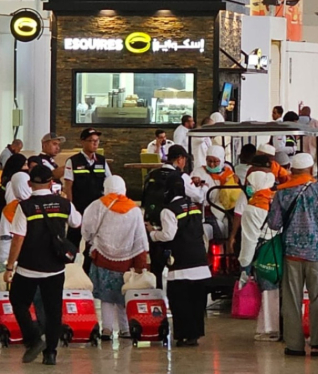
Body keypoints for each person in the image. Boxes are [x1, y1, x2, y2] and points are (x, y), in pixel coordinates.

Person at [267, 153, 318, 356]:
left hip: (291, 253)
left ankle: (294, 346)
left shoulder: (282, 193)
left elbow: (274, 224)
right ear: (311, 170)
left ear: (292, 171)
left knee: (292, 300)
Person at [4, 165, 82, 365]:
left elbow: (18, 239)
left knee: (19, 301)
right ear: (51, 182)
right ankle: (51, 353)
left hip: (28, 267)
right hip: (55, 267)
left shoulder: (25, 207)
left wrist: (10, 267)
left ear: (30, 184)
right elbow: (76, 222)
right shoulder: (64, 204)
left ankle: (32, 339)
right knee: (53, 309)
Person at [146, 174, 210, 347]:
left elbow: (168, 235)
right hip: (200, 263)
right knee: (197, 303)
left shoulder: (169, 210)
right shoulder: (195, 206)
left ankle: (183, 335)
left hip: (181, 265)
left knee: (180, 302)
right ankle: (194, 335)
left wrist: (152, 232)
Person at [83, 176, 148, 341]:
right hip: (126, 261)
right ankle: (125, 329)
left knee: (106, 297)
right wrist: (140, 262)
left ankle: (106, 329)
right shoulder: (134, 209)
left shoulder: (98, 205)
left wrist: (91, 241)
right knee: (123, 295)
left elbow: (87, 228)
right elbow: (140, 238)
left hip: (102, 258)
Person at [142, 145, 204, 289]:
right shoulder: (181, 177)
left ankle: (157, 294)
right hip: (175, 225)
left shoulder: (152, 174)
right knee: (176, 263)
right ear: (180, 159)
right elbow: (199, 197)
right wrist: (200, 186)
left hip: (153, 224)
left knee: (156, 266)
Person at [238, 171, 280, 341]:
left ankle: (269, 329)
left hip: (263, 254)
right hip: (279, 251)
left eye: (250, 184)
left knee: (268, 292)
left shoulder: (251, 208)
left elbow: (249, 240)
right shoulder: (276, 201)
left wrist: (244, 266)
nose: (247, 187)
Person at [63, 128, 112, 273]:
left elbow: (109, 182)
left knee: (93, 242)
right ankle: (68, 270)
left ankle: (88, 271)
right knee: (72, 241)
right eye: (91, 141)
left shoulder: (102, 161)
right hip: (78, 208)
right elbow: (68, 186)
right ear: (82, 142)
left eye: (96, 141)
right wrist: (71, 208)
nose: (94, 144)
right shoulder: (73, 161)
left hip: (97, 210)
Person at [191, 145, 238, 240]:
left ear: (221, 160)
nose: (212, 164)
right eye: (209, 161)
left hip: (223, 210)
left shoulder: (229, 175)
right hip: (205, 210)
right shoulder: (198, 172)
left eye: (215, 161)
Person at [0, 172, 31, 272]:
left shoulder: (10, 209)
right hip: (42, 257)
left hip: (18, 259)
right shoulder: (43, 203)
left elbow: (6, 239)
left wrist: (7, 264)